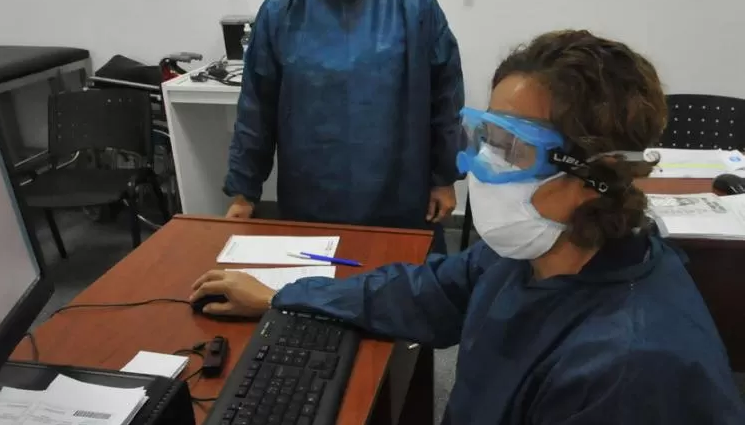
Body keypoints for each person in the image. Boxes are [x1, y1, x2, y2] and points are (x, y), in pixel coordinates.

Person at [196, 30, 745, 424]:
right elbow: (422, 295)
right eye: (487, 138)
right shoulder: (530, 254)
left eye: (514, 149)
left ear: (595, 173)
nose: (478, 167)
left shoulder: (631, 371)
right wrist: (283, 296)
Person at [224, 0, 464, 253]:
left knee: (405, 294)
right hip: (312, 194)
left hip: (400, 190)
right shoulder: (282, 10)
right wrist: (243, 192)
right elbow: (256, 110)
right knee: (315, 293)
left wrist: (443, 178)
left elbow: (445, 102)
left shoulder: (415, 3)